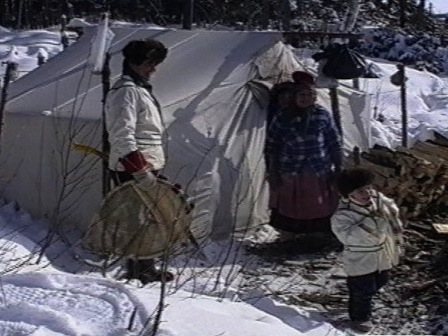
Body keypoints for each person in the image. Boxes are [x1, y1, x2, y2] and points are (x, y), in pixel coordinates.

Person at [105, 38, 172, 284]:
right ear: (134, 62)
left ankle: (145, 266)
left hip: (147, 163)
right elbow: (122, 134)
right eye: (149, 63)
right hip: (133, 166)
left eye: (155, 63)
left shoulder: (138, 88)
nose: (153, 69)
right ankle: (139, 271)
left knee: (147, 218)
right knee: (138, 220)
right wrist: (140, 170)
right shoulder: (126, 92)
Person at [264, 71, 342, 236]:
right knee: (293, 205)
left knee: (319, 204)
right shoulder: (283, 117)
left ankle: (318, 236)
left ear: (314, 96)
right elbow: (273, 145)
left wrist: (339, 164)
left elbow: (333, 141)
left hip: (318, 169)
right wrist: (273, 170)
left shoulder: (322, 115)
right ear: (294, 96)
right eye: (301, 94)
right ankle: (293, 236)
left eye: (309, 94)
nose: (305, 98)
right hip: (291, 170)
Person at [331, 167, 404, 334]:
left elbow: (390, 207)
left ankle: (362, 302)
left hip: (381, 254)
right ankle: (359, 318)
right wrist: (372, 223)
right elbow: (348, 237)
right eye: (361, 191)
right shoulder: (343, 215)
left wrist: (389, 211)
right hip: (360, 259)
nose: (368, 193)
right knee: (362, 290)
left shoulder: (377, 201)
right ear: (349, 195)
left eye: (369, 188)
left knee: (381, 281)